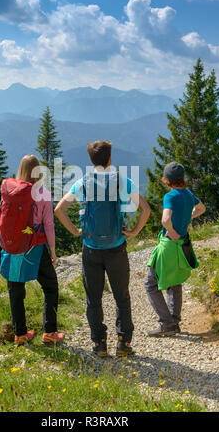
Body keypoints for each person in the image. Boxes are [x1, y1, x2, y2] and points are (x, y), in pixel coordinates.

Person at [55, 140, 150, 357]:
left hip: (91, 249)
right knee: (122, 297)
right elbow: (145, 209)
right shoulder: (123, 181)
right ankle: (123, 344)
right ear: (110, 158)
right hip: (117, 247)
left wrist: (75, 231)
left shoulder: (83, 183)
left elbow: (59, 209)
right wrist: (134, 231)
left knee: (94, 299)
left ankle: (99, 344)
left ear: (90, 160)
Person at [0, 155, 64, 346]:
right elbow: (48, 224)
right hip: (34, 245)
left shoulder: (10, 189)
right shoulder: (42, 193)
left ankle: (20, 334)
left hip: (13, 245)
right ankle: (50, 333)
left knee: (15, 289)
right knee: (50, 286)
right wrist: (52, 250)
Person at [145, 161, 206, 337]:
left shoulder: (170, 197)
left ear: (167, 180)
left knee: (150, 283)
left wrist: (171, 232)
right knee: (175, 280)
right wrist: (189, 217)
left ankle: (167, 323)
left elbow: (165, 220)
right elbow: (201, 208)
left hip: (169, 244)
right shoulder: (188, 194)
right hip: (183, 244)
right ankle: (174, 321)